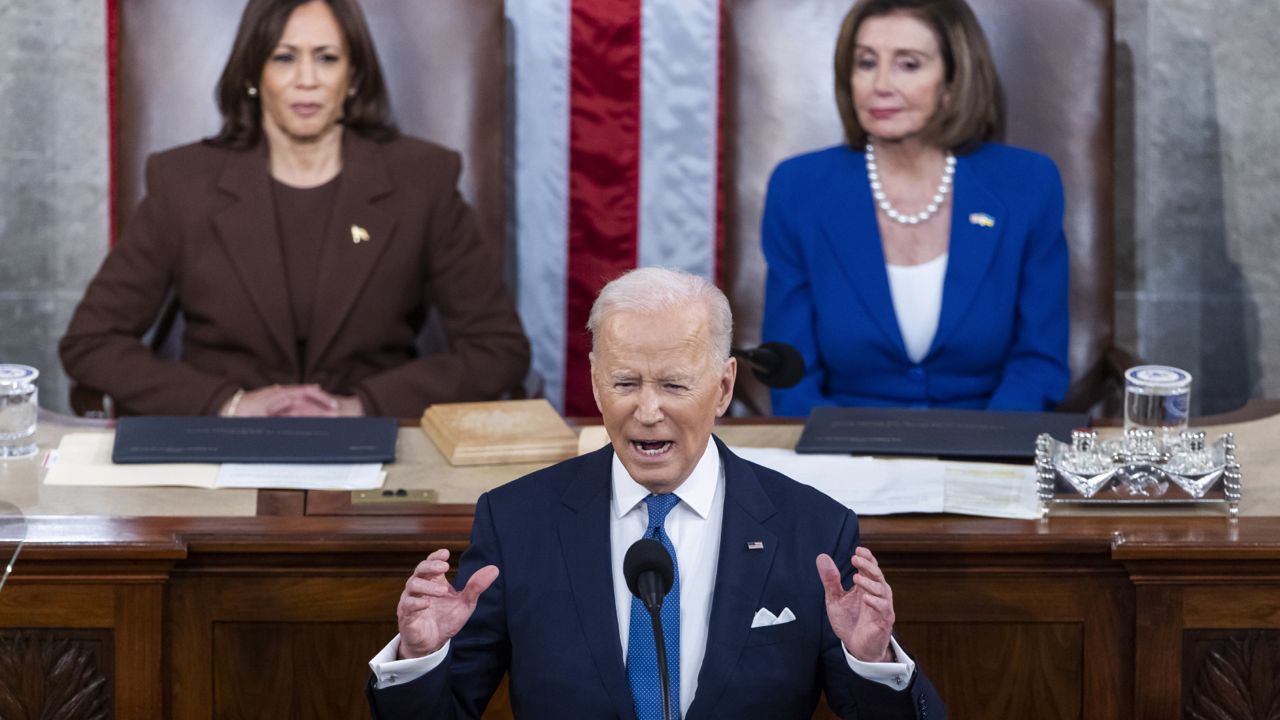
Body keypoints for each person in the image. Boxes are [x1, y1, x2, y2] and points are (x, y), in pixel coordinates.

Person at [366, 267, 944, 719]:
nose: (646, 412)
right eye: (624, 383)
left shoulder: (812, 529)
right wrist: (420, 657)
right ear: (595, 381)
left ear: (722, 388)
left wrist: (871, 661)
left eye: (673, 385)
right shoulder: (518, 521)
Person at [59, 0, 529, 418]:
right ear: (251, 74)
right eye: (284, 57)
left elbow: (499, 350)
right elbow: (91, 342)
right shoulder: (184, 184)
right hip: (223, 450)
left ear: (354, 77)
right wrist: (228, 402)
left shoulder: (421, 180)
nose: (307, 80)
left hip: (375, 450)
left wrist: (363, 404)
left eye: (326, 58)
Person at [761, 0, 1069, 416]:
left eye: (908, 64)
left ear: (952, 81)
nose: (880, 84)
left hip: (987, 443)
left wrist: (986, 453)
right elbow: (792, 372)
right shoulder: (798, 188)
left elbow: (1039, 360)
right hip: (843, 448)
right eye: (866, 63)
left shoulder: (1028, 184)